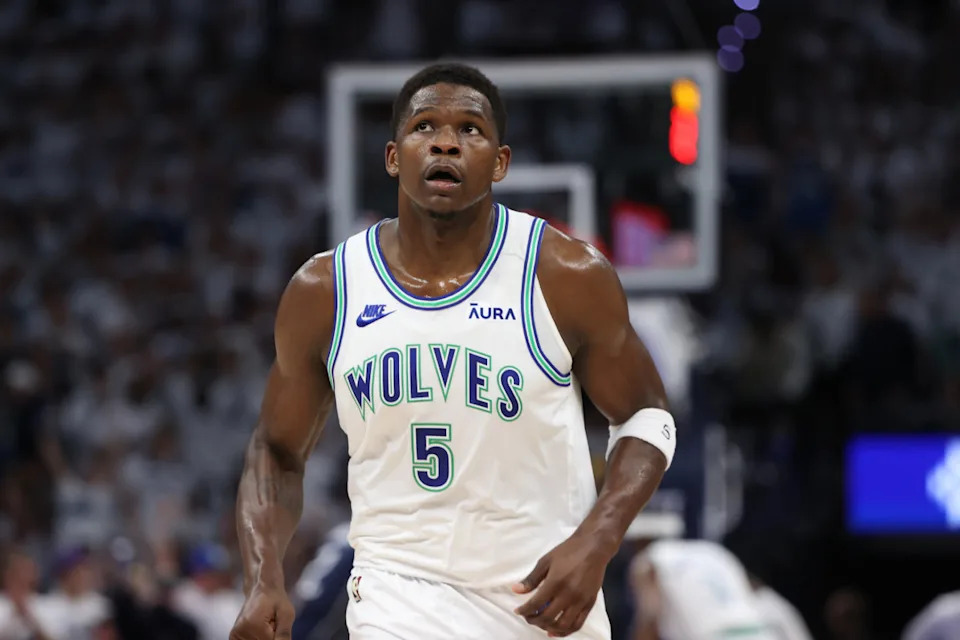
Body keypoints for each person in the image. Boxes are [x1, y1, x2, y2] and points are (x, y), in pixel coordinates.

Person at [229, 62, 675, 640]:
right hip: (398, 595)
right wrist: (264, 577)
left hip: (542, 600)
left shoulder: (563, 274)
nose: (446, 140)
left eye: (470, 128)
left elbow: (648, 416)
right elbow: (275, 448)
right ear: (393, 156)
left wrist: (597, 540)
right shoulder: (326, 290)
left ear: (500, 161)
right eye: (425, 127)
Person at [625, 514, 784, 640]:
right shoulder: (711, 551)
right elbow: (753, 590)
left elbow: (650, 616)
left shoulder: (649, 561)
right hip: (759, 633)